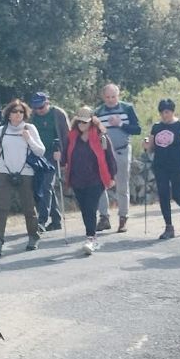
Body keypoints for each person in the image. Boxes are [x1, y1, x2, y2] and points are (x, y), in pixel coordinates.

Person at [0, 99, 45, 255]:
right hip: (4, 172)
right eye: (14, 111)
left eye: (21, 112)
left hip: (26, 172)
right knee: (2, 208)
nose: (18, 114)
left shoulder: (30, 128)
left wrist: (29, 139)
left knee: (29, 207)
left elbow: (40, 151)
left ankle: (33, 236)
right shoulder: (2, 130)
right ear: (8, 114)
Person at [63, 108, 117, 255]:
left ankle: (91, 238)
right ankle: (91, 236)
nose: (82, 124)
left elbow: (110, 157)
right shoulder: (72, 136)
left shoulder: (101, 136)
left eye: (85, 122)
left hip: (96, 179)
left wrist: (112, 176)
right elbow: (65, 156)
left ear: (92, 121)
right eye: (80, 121)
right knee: (85, 209)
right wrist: (59, 157)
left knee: (91, 208)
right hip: (77, 179)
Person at [143, 99, 180, 240]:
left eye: (167, 112)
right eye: (162, 112)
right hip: (160, 166)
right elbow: (151, 147)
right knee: (163, 195)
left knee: (178, 195)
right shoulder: (156, 127)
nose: (164, 115)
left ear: (172, 111)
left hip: (177, 166)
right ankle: (169, 227)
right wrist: (146, 144)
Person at [94, 83, 142, 233]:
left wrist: (120, 124)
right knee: (100, 184)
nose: (110, 100)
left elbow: (137, 129)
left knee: (122, 185)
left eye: (113, 97)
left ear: (118, 95)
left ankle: (123, 218)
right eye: (107, 97)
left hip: (122, 150)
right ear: (103, 97)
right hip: (104, 152)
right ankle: (104, 217)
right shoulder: (98, 112)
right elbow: (95, 133)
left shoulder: (127, 108)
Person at [28, 91, 71, 231]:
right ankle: (56, 220)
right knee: (46, 187)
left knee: (45, 186)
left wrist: (64, 155)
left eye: (41, 107)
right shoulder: (32, 116)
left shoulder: (58, 114)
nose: (39, 110)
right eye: (36, 108)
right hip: (38, 155)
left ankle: (42, 220)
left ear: (47, 103)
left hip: (54, 155)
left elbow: (67, 135)